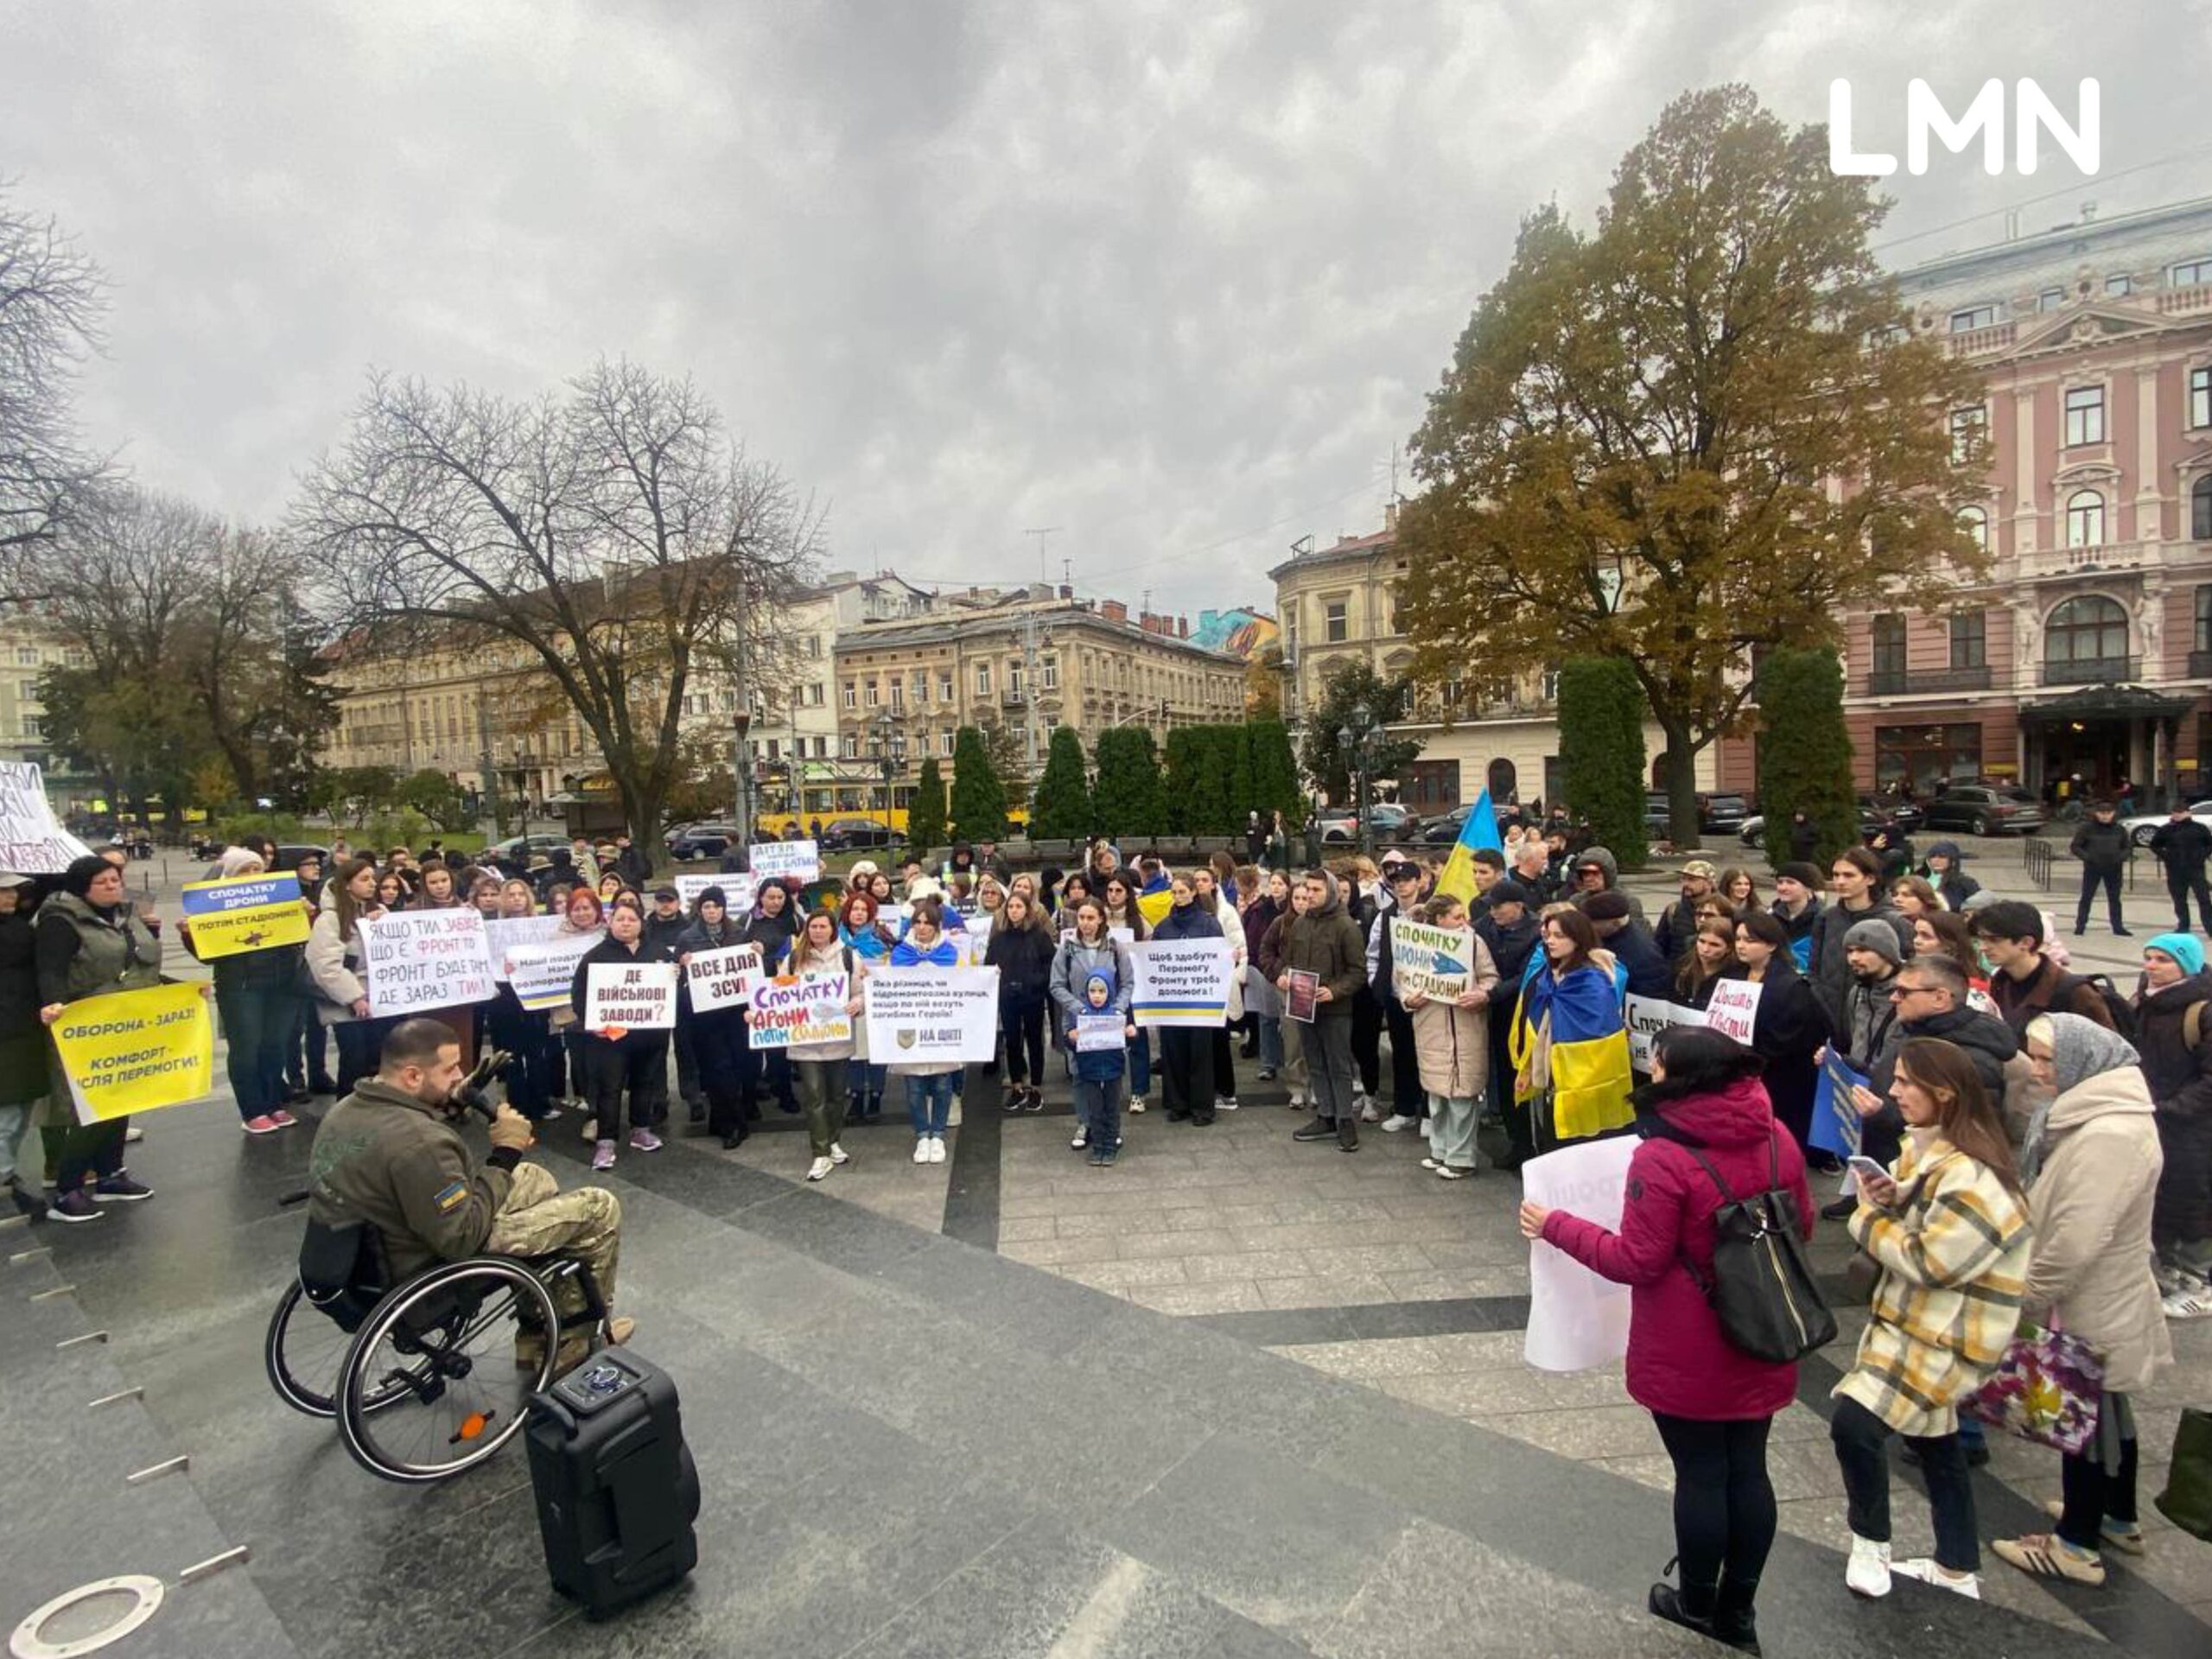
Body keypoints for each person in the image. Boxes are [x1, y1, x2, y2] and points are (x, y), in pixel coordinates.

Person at [1522, 1027, 1808, 1653]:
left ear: (1680, 1078)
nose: (1649, 1073)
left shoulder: (1663, 1156)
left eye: (1656, 1066)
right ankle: (1739, 1610)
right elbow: (1802, 1224)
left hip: (1691, 1341)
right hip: (1764, 1326)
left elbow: (1637, 1261)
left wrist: (1556, 1225)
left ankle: (1698, 1603)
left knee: (1702, 1474)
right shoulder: (1776, 1136)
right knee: (1748, 1469)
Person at [306, 1015, 631, 1373]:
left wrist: (451, 1098)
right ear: (413, 1076)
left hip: (368, 1250)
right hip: (429, 1262)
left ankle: (536, 1330)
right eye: (449, 1070)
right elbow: (461, 1238)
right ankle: (573, 1341)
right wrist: (505, 1152)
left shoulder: (348, 1108)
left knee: (532, 1178)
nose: (460, 1075)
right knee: (599, 1207)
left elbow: (407, 1134)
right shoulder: (419, 1144)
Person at [1830, 1036, 2033, 1602]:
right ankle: (1956, 1567)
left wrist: (1869, 1218)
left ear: (1942, 1093)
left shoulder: (1974, 1178)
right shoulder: (1931, 1152)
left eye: (1903, 1082)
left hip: (1944, 1335)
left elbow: (1930, 1261)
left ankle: (1870, 1544)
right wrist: (1895, 1196)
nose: (1892, 1091)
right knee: (1937, 1442)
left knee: (1855, 1422)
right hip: (1921, 1324)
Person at [1987, 1014, 2171, 1586]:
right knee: (2107, 1412)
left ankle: (2076, 1545)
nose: (2038, 1071)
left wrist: (2028, 1294)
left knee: (2084, 1420)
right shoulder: (2097, 1116)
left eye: (2047, 1060)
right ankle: (2118, 1517)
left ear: (2084, 1061)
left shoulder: (2109, 1134)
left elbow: (2077, 1236)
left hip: (2091, 1298)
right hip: (2097, 1294)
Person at [34, 855, 167, 1221]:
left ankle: (110, 1174)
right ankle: (68, 1188)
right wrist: (52, 1004)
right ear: (82, 888)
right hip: (86, 1025)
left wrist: (180, 990)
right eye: (103, 882)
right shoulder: (61, 921)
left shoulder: (127, 915)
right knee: (89, 1110)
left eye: (115, 880)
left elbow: (140, 965)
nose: (113, 886)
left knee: (120, 1099)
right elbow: (51, 970)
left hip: (127, 1021)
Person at [181, 847, 301, 1135]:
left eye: (257, 868)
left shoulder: (278, 900)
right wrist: (190, 935)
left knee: (275, 1044)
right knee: (247, 1048)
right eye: (245, 870)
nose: (252, 874)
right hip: (241, 986)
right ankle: (252, 1109)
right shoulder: (214, 906)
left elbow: (297, 937)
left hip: (281, 982)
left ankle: (273, 1102)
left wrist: (306, 915)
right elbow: (207, 955)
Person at [2131, 932, 2212, 1317]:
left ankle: (2201, 1280)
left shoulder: (2203, 1008)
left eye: (2162, 959)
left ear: (2186, 965)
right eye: (2148, 958)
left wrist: (2173, 1108)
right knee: (2161, 1194)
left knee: (2194, 1196)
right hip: (2153, 1114)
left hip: (2192, 1124)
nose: (2151, 966)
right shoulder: (2145, 1002)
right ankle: (2172, 1272)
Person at [1512, 907, 1634, 1150]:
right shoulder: (1548, 974)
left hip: (1584, 1079)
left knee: (1581, 1144)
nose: (1550, 941)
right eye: (1548, 935)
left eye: (1559, 936)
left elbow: (1600, 1040)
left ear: (1578, 938)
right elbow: (1539, 1026)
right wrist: (1528, 1068)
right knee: (1550, 1141)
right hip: (1552, 1077)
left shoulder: (1594, 981)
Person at [569, 895, 670, 1172]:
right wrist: (593, 1023)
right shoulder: (595, 957)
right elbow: (578, 997)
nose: (626, 924)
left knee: (644, 1084)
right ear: (610, 922)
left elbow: (673, 988)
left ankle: (640, 1130)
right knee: (608, 1089)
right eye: (620, 919)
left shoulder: (659, 953)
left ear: (641, 923)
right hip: (611, 1040)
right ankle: (606, 1142)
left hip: (649, 1037)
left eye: (632, 919)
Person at [1402, 893, 1500, 1179]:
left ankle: (1462, 1157)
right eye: (1457, 917)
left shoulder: (1473, 942)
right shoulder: (1416, 943)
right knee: (1437, 1095)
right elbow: (1403, 980)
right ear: (1439, 920)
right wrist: (1410, 1000)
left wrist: (1481, 994)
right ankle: (1440, 1149)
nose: (1464, 922)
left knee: (1462, 1096)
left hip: (1465, 1026)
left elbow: (1490, 976)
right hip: (1431, 1027)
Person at [1283, 868, 1369, 1152]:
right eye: (1308, 888)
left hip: (1335, 1010)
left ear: (1330, 892)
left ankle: (1345, 1119)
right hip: (1303, 1006)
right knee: (1315, 1062)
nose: (1309, 894)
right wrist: (1285, 976)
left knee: (1338, 1065)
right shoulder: (1300, 924)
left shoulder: (1346, 926)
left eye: (1316, 890)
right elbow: (1290, 961)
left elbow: (1358, 972)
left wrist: (1334, 991)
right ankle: (1326, 1115)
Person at [1732, 912, 1831, 1154]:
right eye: (1738, 939)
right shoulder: (1735, 975)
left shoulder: (1791, 987)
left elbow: (1788, 1040)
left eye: (1750, 940)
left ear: (1772, 945)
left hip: (1780, 1080)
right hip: (1743, 1073)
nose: (1741, 946)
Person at [778, 908, 861, 1183]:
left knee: (837, 1095)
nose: (817, 931)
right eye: (813, 926)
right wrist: (759, 1014)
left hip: (838, 1038)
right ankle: (820, 1152)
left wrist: (858, 1003)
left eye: (822, 926)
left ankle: (833, 1140)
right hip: (806, 1041)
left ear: (832, 929)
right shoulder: (793, 959)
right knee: (814, 1096)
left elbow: (860, 992)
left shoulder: (849, 956)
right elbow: (778, 996)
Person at [1052, 901, 1137, 1154]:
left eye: (1091, 918)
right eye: (1081, 918)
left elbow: (1128, 983)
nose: (1085, 923)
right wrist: (1080, 1008)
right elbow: (1056, 985)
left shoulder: (1114, 948)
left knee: (1110, 1074)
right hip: (1078, 1019)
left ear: (1101, 919)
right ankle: (1085, 1123)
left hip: (1108, 1020)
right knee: (1080, 1073)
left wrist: (1118, 1009)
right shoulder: (1066, 949)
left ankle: (1111, 1127)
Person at [675, 887, 753, 1149]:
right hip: (704, 1017)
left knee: (734, 1067)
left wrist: (757, 952)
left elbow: (751, 971)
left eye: (716, 906)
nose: (712, 911)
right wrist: (681, 964)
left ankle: (723, 1120)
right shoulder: (688, 937)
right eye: (707, 906)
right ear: (700, 908)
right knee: (716, 1069)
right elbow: (678, 977)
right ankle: (733, 1125)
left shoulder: (740, 934)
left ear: (723, 908)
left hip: (734, 1013)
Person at [1968, 900, 2117, 1035]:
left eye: (1994, 940)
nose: (1983, 947)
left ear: (2026, 942)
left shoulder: (2074, 991)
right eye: (1981, 939)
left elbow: (2109, 1049)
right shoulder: (2000, 982)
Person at [1475, 879, 1542, 1168]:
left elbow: (1526, 976)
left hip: (1520, 1014)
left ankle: (1525, 1143)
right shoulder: (1485, 926)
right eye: (1490, 906)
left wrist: (1491, 993)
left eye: (1499, 906)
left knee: (1518, 1076)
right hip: (1491, 1011)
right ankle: (1514, 1137)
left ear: (1518, 906)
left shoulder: (1535, 934)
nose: (1493, 912)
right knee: (1502, 1078)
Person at [887, 899, 962, 1163]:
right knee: (915, 1087)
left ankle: (938, 1135)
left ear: (936, 925)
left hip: (940, 1028)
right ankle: (922, 1135)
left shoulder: (949, 952)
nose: (921, 927)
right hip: (910, 1029)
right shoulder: (901, 953)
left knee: (943, 1085)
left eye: (927, 923)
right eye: (916, 922)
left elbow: (964, 986)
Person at [1807, 848, 1912, 1029]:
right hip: (1827, 1019)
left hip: (1875, 1020)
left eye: (1849, 875)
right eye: (1836, 875)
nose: (1840, 881)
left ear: (1870, 879)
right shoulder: (1826, 917)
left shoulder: (1894, 921)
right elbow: (1814, 970)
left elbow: (1908, 970)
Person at [1150, 874, 1225, 1125]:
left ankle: (1202, 1107)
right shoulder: (1163, 927)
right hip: (1172, 1001)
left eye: (1183, 891)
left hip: (1200, 1001)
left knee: (1200, 1053)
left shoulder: (1208, 923)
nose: (1178, 896)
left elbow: (1218, 958)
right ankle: (1178, 1103)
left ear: (1194, 893)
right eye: (1174, 892)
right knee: (1173, 1052)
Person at [1365, 855, 1428, 1132]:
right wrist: (1376, 982)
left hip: (1427, 1000)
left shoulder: (1431, 913)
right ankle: (1405, 1108)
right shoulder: (1386, 915)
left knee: (1427, 1056)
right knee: (1402, 1053)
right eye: (1397, 882)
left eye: (1407, 881)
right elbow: (1374, 953)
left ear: (1420, 882)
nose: (1401, 886)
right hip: (1396, 997)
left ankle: (1428, 1112)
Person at [0, 874, 48, 1219]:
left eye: (13, 889)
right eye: (2, 890)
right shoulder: (16, 931)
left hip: (22, 1027)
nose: (11, 895)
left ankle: (6, 1173)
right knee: (9, 1113)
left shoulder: (17, 925)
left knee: (19, 1109)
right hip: (9, 1029)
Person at [987, 891, 1056, 1112]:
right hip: (1008, 996)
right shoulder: (999, 938)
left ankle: (1035, 1086)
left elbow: (1050, 965)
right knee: (1012, 1042)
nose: (1014, 910)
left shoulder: (1039, 935)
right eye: (1011, 907)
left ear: (1027, 910)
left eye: (1019, 906)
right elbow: (989, 965)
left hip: (1033, 996)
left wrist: (1036, 983)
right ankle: (1017, 1086)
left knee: (1035, 1042)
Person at [741, 879, 802, 1117]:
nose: (776, 902)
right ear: (761, 898)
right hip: (755, 990)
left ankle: (784, 1091)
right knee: (753, 1047)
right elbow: (734, 949)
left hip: (785, 991)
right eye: (770, 897)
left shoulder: (795, 920)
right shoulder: (748, 920)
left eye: (780, 897)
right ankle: (751, 1094)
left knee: (780, 1046)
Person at [836, 891, 896, 1122]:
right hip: (846, 1001)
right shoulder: (836, 937)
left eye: (863, 910)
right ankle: (858, 1094)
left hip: (875, 1002)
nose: (859, 914)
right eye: (854, 909)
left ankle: (876, 1095)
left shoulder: (881, 936)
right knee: (852, 1051)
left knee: (874, 1050)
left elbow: (894, 962)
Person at [1192, 864, 1245, 1111]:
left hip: (1218, 984)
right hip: (1193, 986)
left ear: (1213, 883)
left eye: (1205, 880)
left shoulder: (1226, 911)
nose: (1200, 884)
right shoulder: (1188, 911)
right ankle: (1204, 1087)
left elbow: (1238, 945)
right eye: (1197, 880)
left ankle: (1226, 1091)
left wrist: (1234, 973)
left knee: (1219, 1041)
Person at [1242, 870, 1289, 1084]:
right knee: (1267, 1018)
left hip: (1289, 973)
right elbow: (1255, 942)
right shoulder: (1261, 910)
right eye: (1273, 883)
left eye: (1280, 883)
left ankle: (1289, 1061)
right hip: (1266, 970)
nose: (1276, 887)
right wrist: (1267, 968)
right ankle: (1268, 1063)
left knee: (1290, 1022)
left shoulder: (1295, 908)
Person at [1587, 891, 1672, 1000]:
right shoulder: (1605, 936)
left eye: (1593, 923)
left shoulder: (1644, 956)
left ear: (1615, 923)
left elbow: (1650, 1000)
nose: (1588, 926)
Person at [2068, 800, 2132, 937]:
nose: (2105, 816)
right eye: (2102, 813)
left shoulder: (2119, 829)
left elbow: (2127, 847)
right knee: (2087, 897)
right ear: (2096, 814)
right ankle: (2080, 925)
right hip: (2093, 867)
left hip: (2114, 868)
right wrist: (2088, 857)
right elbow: (2075, 846)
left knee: (2114, 898)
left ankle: (2118, 927)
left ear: (2113, 814)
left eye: (2108, 813)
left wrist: (2121, 857)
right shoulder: (2087, 828)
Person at [2150, 803, 2212, 934]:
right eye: (2175, 812)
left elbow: (2209, 844)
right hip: (2175, 870)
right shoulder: (2166, 829)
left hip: (2196, 870)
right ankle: (2183, 926)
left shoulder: (2199, 828)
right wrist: (2167, 856)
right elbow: (2155, 845)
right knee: (2179, 900)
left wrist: (2201, 855)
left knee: (2204, 899)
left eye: (2181, 812)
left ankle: (2210, 927)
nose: (2178, 815)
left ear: (2188, 813)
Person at [1654, 860, 1717, 963]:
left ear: (1709, 883)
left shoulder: (1724, 909)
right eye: (1683, 879)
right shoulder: (1673, 910)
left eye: (1692, 880)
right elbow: (1659, 947)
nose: (1686, 884)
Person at [1671, 918, 1738, 1013]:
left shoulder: (1736, 978)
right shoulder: (1682, 969)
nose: (1705, 949)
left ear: (1728, 948)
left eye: (1714, 945)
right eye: (1702, 941)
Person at [1768, 862, 1822, 973]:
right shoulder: (1770, 918)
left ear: (1807, 888)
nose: (1783, 887)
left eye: (1791, 882)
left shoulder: (1822, 919)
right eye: (1780, 882)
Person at [1918, 841, 1980, 911]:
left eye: (1942, 857)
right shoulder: (1919, 880)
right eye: (1932, 856)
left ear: (1952, 861)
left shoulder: (1965, 882)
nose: (1936, 860)